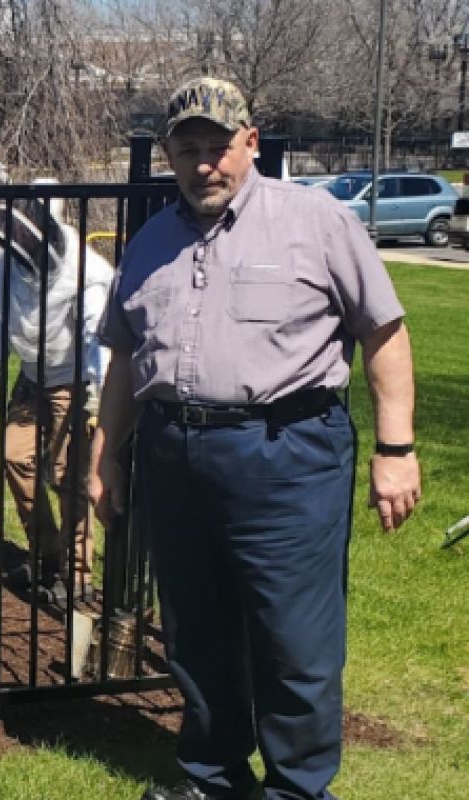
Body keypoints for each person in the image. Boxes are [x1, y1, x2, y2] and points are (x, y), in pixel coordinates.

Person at [88, 77, 421, 800]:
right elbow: (123, 357)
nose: (206, 163)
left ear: (251, 143)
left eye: (219, 146)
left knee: (292, 638)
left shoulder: (317, 222)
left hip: (289, 454)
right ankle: (214, 777)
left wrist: (396, 450)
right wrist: (106, 454)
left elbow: (384, 332)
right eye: (190, 150)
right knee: (196, 631)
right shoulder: (149, 241)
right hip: (175, 455)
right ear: (170, 157)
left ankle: (299, 789)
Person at [0, 190, 113, 605]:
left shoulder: (87, 273)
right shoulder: (2, 267)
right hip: (31, 378)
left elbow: (95, 338)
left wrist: (96, 398)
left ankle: (79, 573)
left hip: (74, 382)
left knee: (72, 478)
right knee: (17, 457)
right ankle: (46, 552)